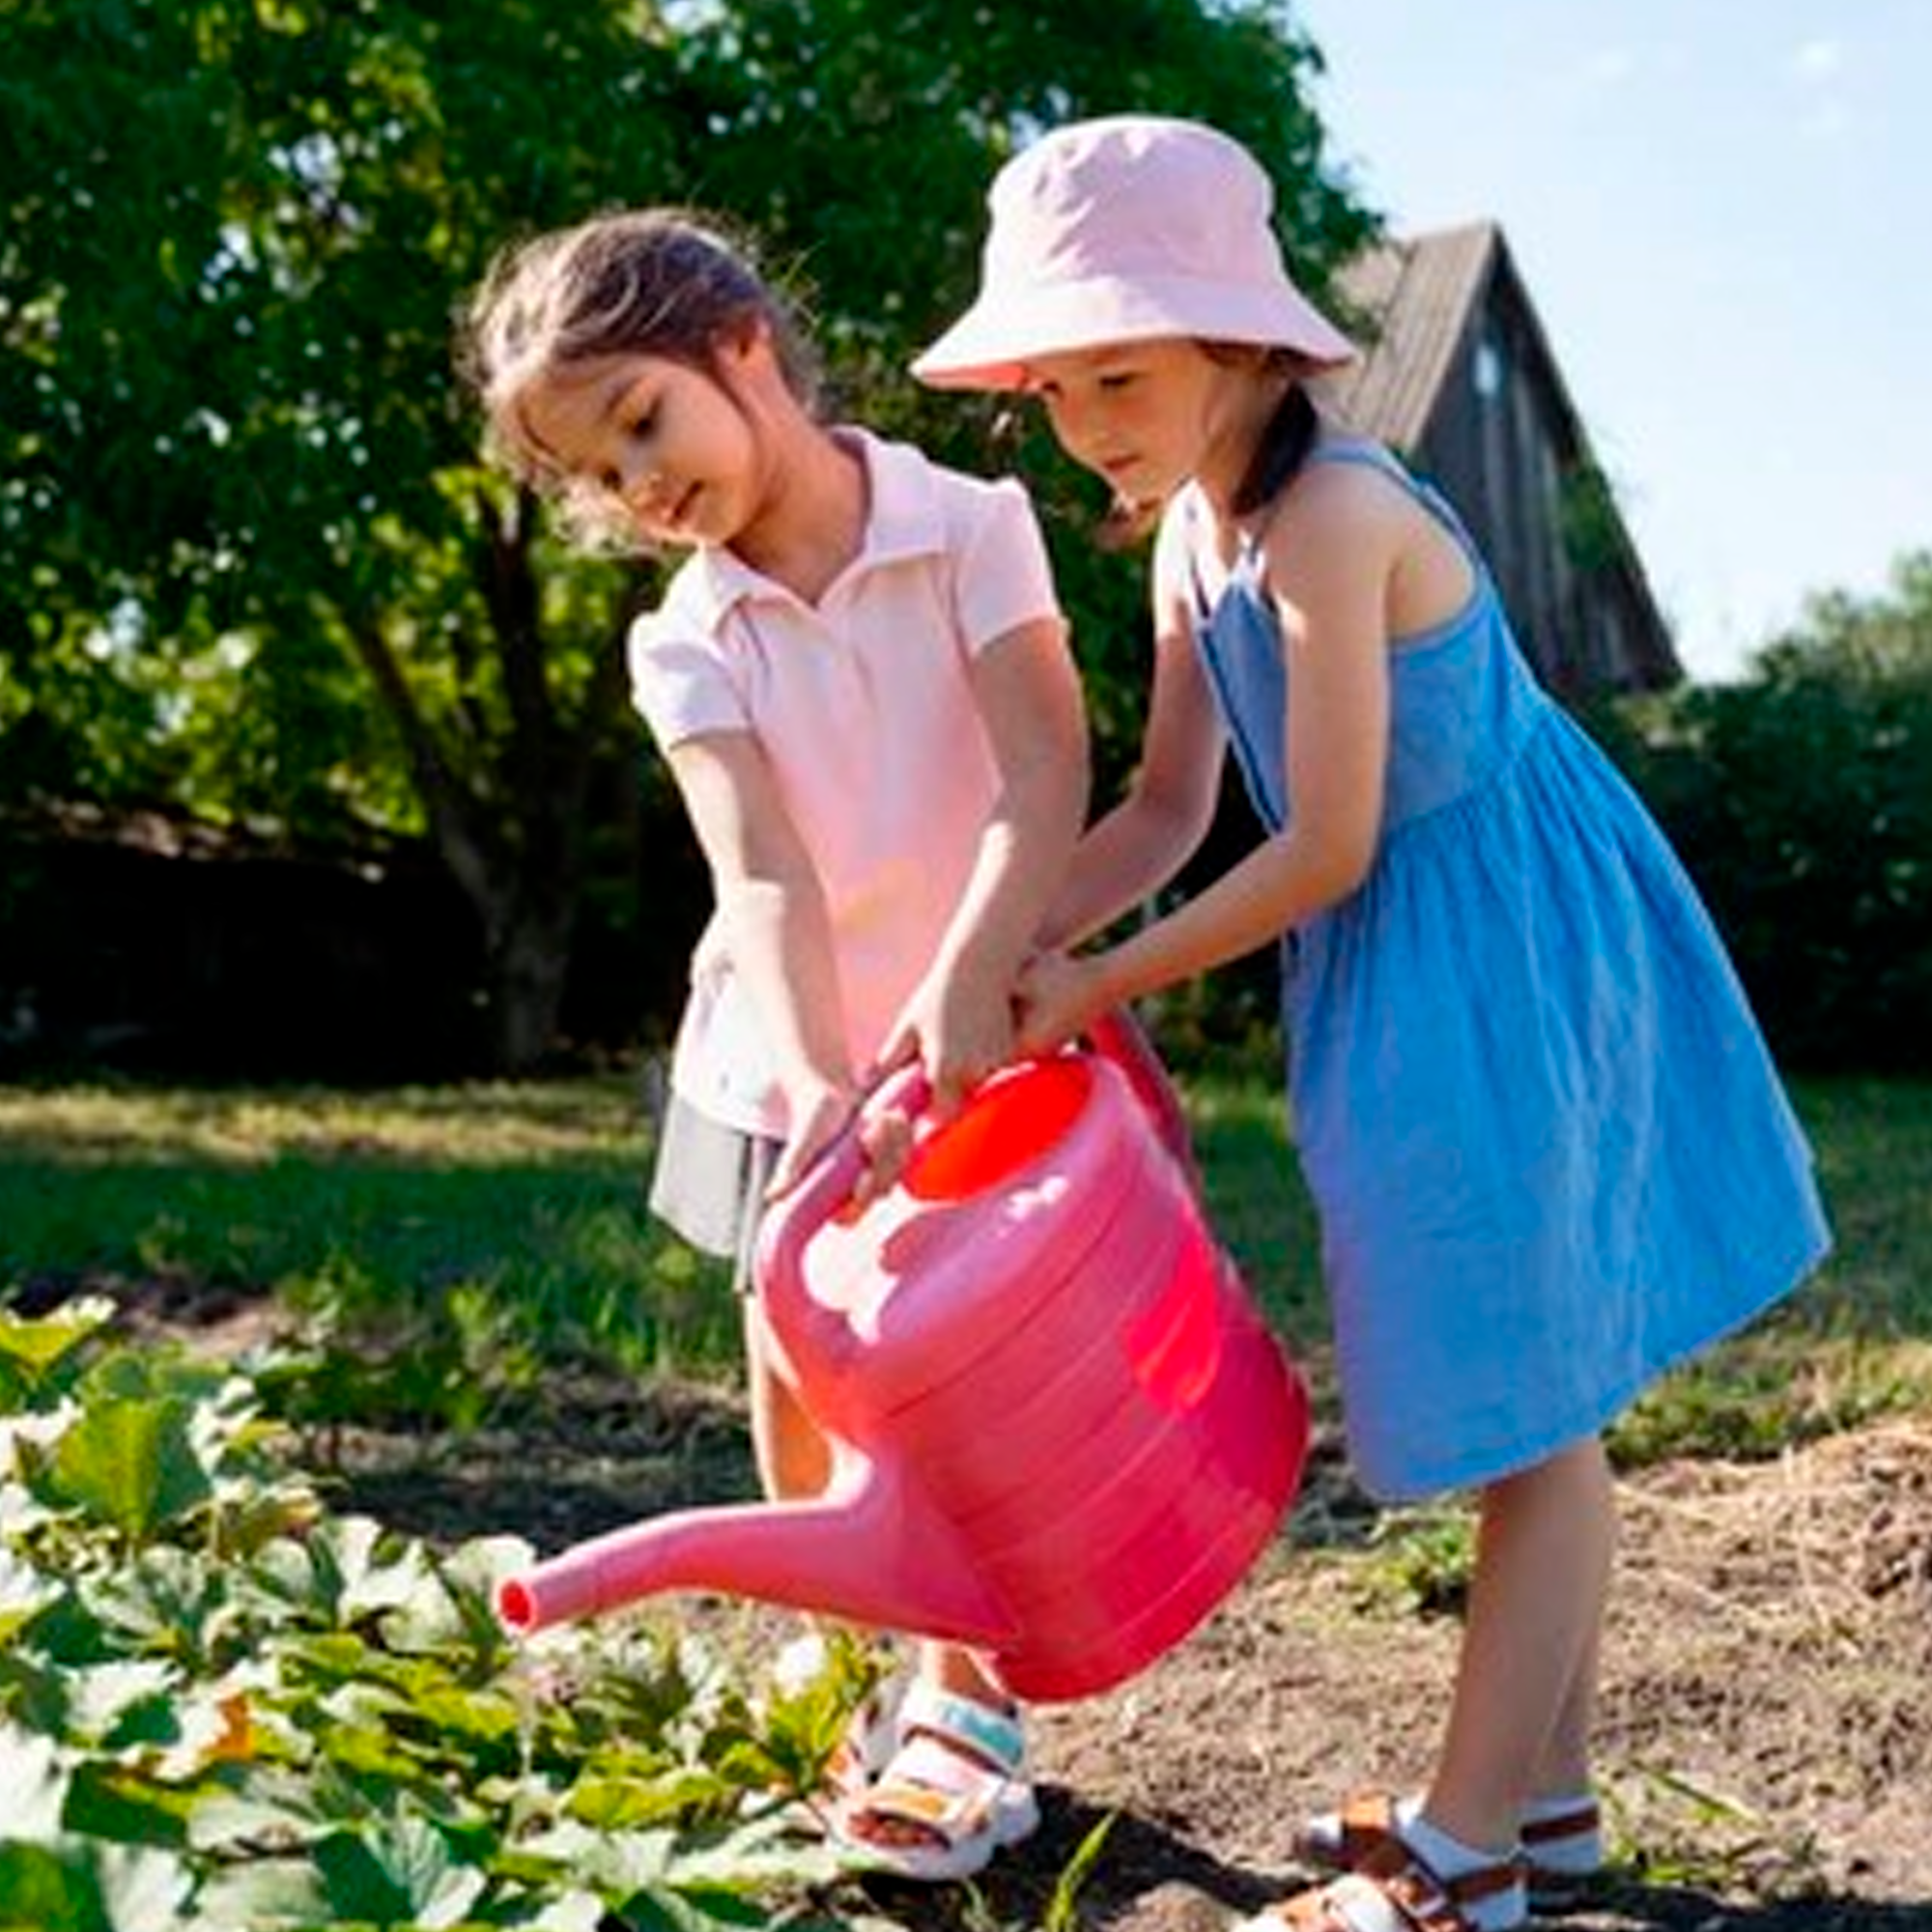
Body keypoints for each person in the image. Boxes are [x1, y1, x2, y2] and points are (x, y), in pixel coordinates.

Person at [914, 116, 1833, 1932]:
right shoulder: (1191, 536)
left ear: (1243, 343)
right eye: (1061, 382)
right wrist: (996, 945)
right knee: (1516, 1382)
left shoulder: (1335, 518)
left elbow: (1325, 842)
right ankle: (1549, 1804)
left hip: (1501, 945)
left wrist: (1093, 987)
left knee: (1534, 1408)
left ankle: (1465, 1846)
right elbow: (1176, 813)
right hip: (1396, 968)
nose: (1091, 416)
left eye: (1126, 368)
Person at [462, 206, 1090, 1882]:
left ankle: (966, 1704)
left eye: (642, 423)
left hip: (971, 1046)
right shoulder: (686, 638)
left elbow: (1044, 777)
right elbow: (760, 872)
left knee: (948, 1379)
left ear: (741, 342)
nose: (636, 488)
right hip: (782, 1046)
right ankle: (846, 1654)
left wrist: (963, 985)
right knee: (794, 1353)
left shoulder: (972, 527)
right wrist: (816, 1075)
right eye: (598, 475)